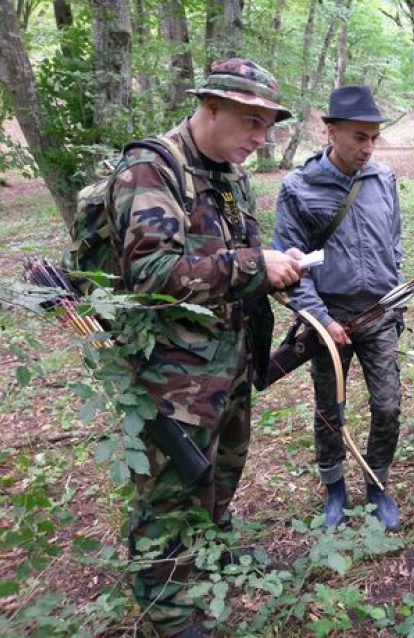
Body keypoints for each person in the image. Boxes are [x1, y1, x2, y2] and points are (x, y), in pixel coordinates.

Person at [109, 59, 304, 637]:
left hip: (230, 363)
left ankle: (209, 557)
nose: (259, 138)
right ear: (210, 106)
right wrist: (254, 265)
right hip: (172, 376)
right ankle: (167, 615)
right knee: (171, 493)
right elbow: (150, 272)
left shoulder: (231, 175)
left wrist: (275, 270)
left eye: (267, 126)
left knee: (221, 475)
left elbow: (238, 262)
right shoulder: (151, 168)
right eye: (251, 121)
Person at [273, 85, 404, 532]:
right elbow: (292, 269)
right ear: (329, 131)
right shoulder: (298, 188)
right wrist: (323, 321)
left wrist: (394, 305)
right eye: (358, 137)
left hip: (380, 315)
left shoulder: (383, 179)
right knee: (331, 408)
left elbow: (394, 242)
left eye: (373, 138)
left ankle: (377, 484)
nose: (367, 148)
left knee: (388, 406)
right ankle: (334, 490)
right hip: (326, 318)